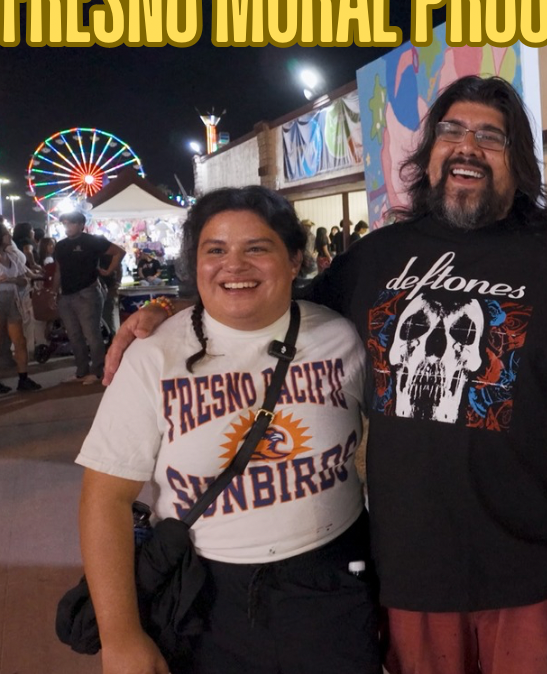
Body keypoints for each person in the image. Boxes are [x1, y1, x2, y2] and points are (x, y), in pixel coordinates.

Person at [108, 76, 547, 674]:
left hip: (534, 575)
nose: (467, 146)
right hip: (408, 576)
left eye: (490, 137)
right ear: (430, 154)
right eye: (451, 130)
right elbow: (267, 303)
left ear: (517, 161)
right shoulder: (379, 257)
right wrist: (166, 311)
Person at [78, 186, 379, 674]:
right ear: (194, 262)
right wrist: (120, 636)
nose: (233, 266)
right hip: (206, 595)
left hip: (331, 585)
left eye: (256, 248)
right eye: (215, 250)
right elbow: (104, 497)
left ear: (294, 257)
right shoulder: (155, 357)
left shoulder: (339, 338)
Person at [53, 210, 123, 385]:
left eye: (71, 223)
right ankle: (81, 370)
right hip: (66, 294)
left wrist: (108, 271)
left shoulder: (91, 241)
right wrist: (54, 292)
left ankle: (97, 371)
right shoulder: (60, 246)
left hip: (87, 292)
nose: (67, 227)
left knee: (91, 334)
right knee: (74, 335)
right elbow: (58, 270)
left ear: (81, 225)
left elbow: (119, 252)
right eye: (65, 223)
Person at [0, 226, 42, 393]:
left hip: (12, 300)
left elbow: (24, 279)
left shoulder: (11, 256)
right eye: (5, 234)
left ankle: (23, 378)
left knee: (20, 340)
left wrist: (11, 279)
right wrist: (14, 280)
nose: (9, 237)